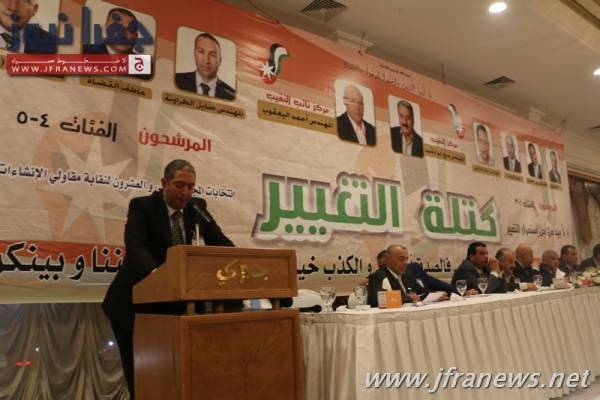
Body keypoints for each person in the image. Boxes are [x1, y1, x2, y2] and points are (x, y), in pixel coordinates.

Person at [102, 160, 234, 399]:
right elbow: (137, 248)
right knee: (143, 380)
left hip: (176, 309)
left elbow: (222, 243)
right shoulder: (142, 207)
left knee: (175, 379)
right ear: (164, 183)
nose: (186, 193)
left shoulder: (197, 208)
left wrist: (238, 262)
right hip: (134, 309)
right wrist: (160, 277)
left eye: (191, 187)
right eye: (179, 185)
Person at [175, 32, 236, 100]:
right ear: (194, 54)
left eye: (212, 55)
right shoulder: (176, 80)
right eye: (201, 52)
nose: (206, 61)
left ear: (220, 61)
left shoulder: (232, 95)